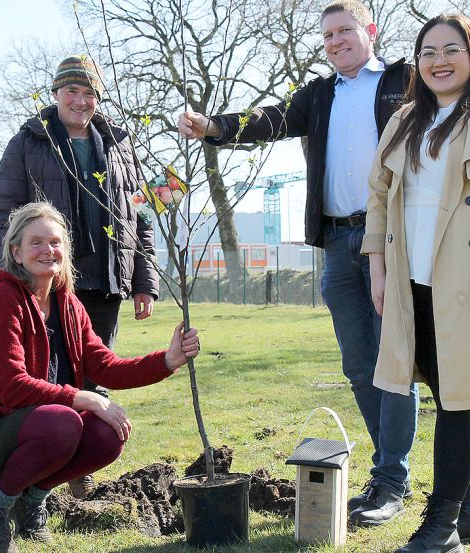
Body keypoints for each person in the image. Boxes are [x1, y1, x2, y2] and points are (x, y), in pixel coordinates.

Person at [176, 0, 417, 526]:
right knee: (358, 366)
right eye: (327, 35)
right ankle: (389, 473)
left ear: (369, 31)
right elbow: (269, 120)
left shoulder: (406, 80)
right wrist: (213, 126)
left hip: (393, 241)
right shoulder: (319, 94)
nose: (335, 42)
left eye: (344, 31)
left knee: (395, 363)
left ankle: (392, 481)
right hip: (336, 243)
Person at [363, 12, 470, 552]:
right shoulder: (403, 121)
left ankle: (441, 526)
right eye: (428, 52)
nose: (439, 61)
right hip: (410, 277)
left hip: (467, 277)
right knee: (447, 392)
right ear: (417, 62)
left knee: (457, 399)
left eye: (451, 49)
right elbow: (377, 197)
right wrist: (378, 269)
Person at [0, 202, 199, 553]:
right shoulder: (0, 300)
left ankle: (32, 502)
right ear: (16, 252)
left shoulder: (69, 305)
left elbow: (105, 366)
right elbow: (14, 388)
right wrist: (87, 398)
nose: (48, 250)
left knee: (107, 433)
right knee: (64, 421)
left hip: (29, 430)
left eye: (55, 242)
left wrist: (167, 361)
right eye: (36, 242)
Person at [0, 53, 160, 498]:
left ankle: (77, 476)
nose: (80, 101)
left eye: (89, 93)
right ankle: (35, 479)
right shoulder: (29, 142)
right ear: (56, 94)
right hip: (45, 283)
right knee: (43, 375)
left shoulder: (120, 146)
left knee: (94, 374)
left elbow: (139, 217)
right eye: (72, 91)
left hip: (105, 279)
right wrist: (13, 280)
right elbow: (2, 216)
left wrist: (144, 281)